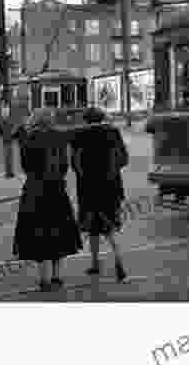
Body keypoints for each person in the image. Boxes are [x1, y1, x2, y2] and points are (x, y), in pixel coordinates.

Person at [12, 109, 82, 291]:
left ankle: (43, 279)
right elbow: (65, 165)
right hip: (57, 190)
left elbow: (26, 167)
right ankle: (57, 277)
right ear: (50, 120)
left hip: (35, 191)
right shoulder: (60, 137)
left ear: (34, 121)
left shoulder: (29, 139)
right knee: (58, 232)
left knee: (39, 233)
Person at [71, 107, 129, 282]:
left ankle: (96, 263)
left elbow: (75, 162)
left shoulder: (79, 134)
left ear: (86, 120)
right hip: (111, 188)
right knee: (109, 226)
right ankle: (118, 262)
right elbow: (124, 159)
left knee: (92, 228)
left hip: (88, 188)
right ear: (102, 117)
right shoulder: (113, 132)